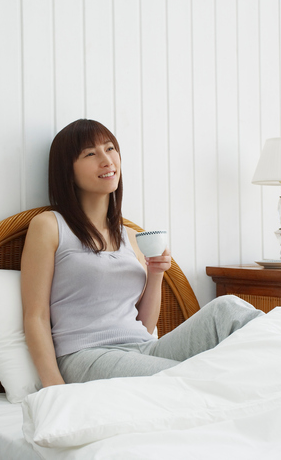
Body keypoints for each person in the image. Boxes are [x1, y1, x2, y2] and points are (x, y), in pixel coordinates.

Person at [21, 118, 263, 387]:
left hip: (143, 349)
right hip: (85, 357)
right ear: (68, 170)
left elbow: (145, 328)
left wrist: (155, 273)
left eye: (110, 148)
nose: (106, 159)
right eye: (90, 153)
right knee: (187, 377)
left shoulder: (132, 237)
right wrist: (54, 384)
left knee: (226, 309)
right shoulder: (50, 226)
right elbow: (35, 315)